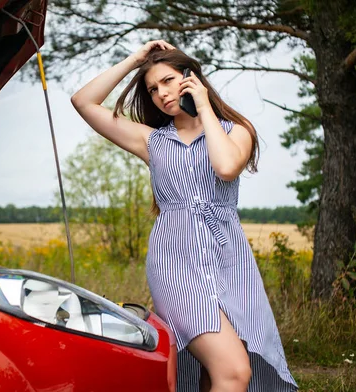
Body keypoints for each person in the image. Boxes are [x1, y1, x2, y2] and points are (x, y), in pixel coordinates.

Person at [71, 40, 298, 391]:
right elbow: (83, 102)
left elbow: (225, 166)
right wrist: (135, 60)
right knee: (234, 370)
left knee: (217, 369)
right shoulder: (151, 141)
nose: (161, 93)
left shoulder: (237, 131)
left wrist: (204, 106)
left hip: (230, 261)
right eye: (152, 88)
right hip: (175, 261)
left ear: (190, 77)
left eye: (167, 81)